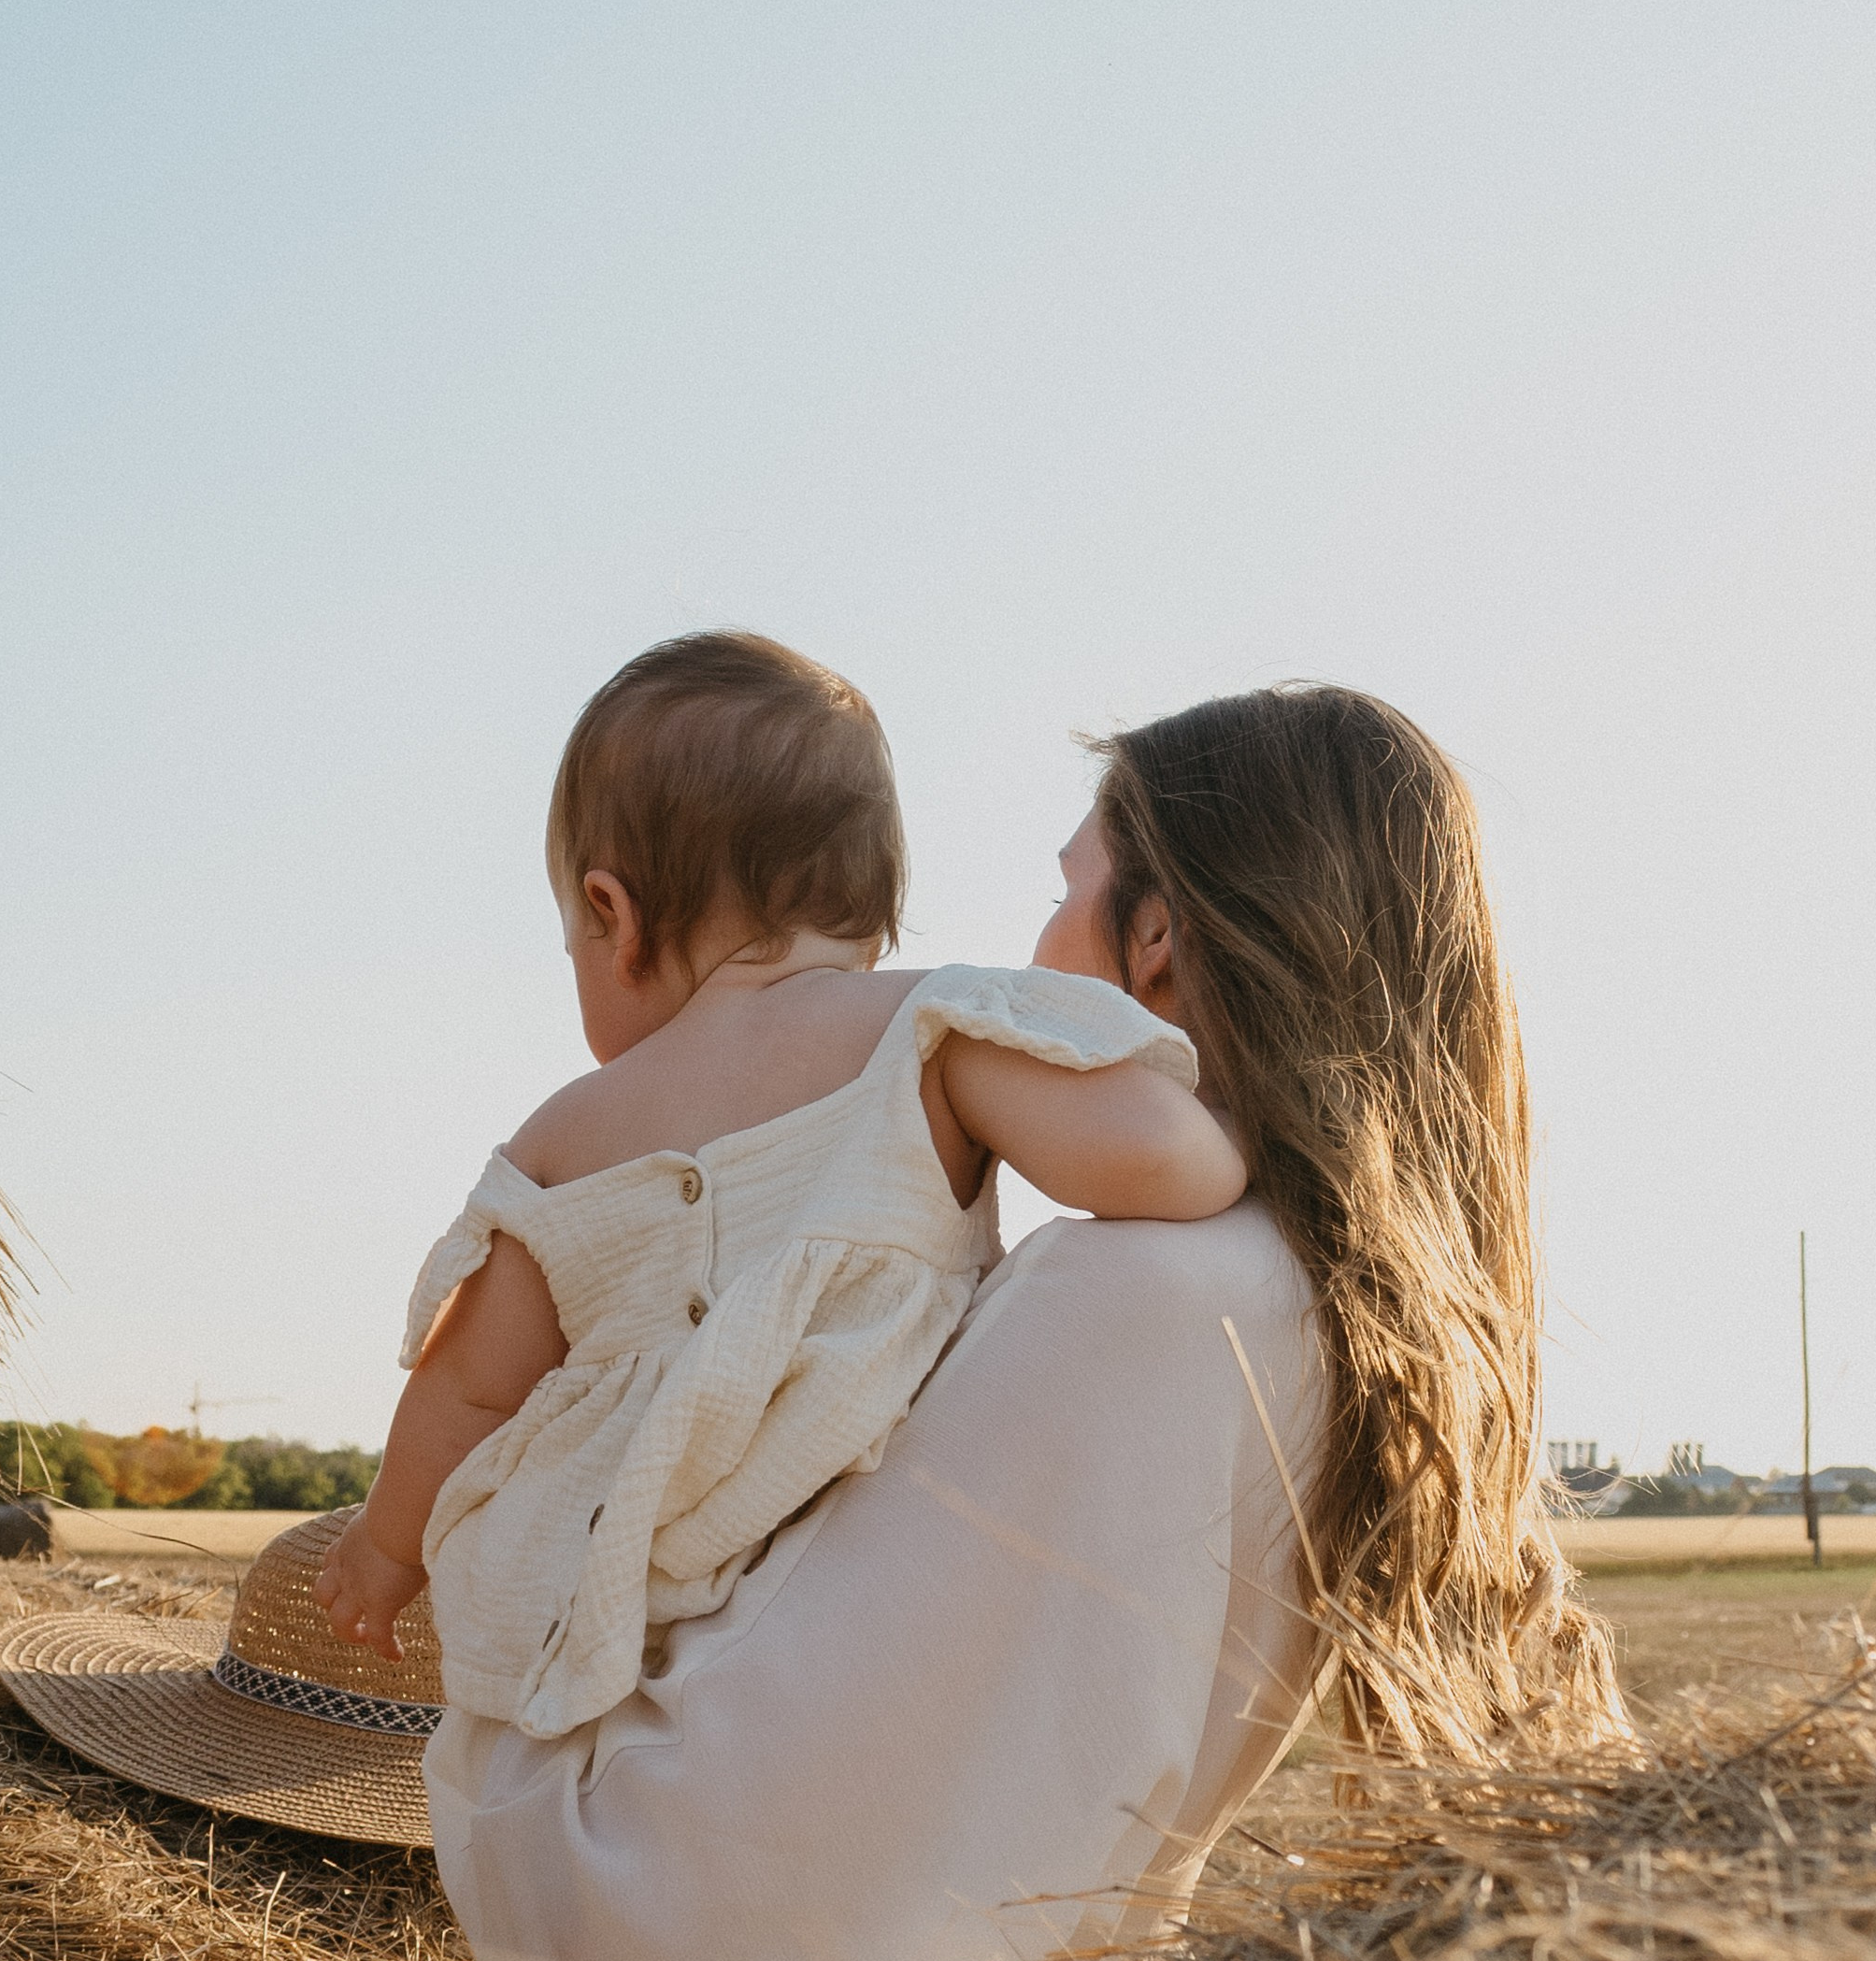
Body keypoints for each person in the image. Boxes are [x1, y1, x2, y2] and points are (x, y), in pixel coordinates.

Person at [392, 672, 1622, 1961]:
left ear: (1155, 945)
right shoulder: (1333, 1318)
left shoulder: (1137, 1291)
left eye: (1070, 893)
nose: (1030, 947)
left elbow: (827, 1780)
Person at [319, 624, 1247, 1828]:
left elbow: (464, 1391)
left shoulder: (563, 1137)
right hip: (843, 1627)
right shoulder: (930, 1033)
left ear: (617, 915)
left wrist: (388, 1552)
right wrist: (1239, 1139)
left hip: (601, 1640)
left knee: (592, 1917)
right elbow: (1153, 1164)